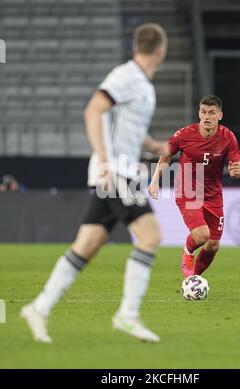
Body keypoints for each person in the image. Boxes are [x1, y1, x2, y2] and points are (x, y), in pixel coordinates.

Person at [21, 23, 168, 343]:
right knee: (150, 235)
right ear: (161, 50)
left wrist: (153, 145)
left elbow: (124, 124)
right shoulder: (126, 76)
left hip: (120, 170)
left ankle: (39, 308)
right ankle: (128, 315)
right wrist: (103, 158)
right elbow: (93, 110)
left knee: (86, 246)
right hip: (115, 173)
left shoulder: (140, 83)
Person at [148, 95, 240, 278]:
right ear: (199, 113)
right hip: (188, 190)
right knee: (201, 235)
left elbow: (236, 170)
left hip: (213, 194)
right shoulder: (185, 134)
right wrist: (154, 181)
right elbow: (167, 155)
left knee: (213, 245)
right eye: (203, 112)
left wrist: (237, 171)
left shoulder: (228, 137)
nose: (207, 116)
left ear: (220, 115)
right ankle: (188, 250)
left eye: (211, 113)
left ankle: (193, 280)